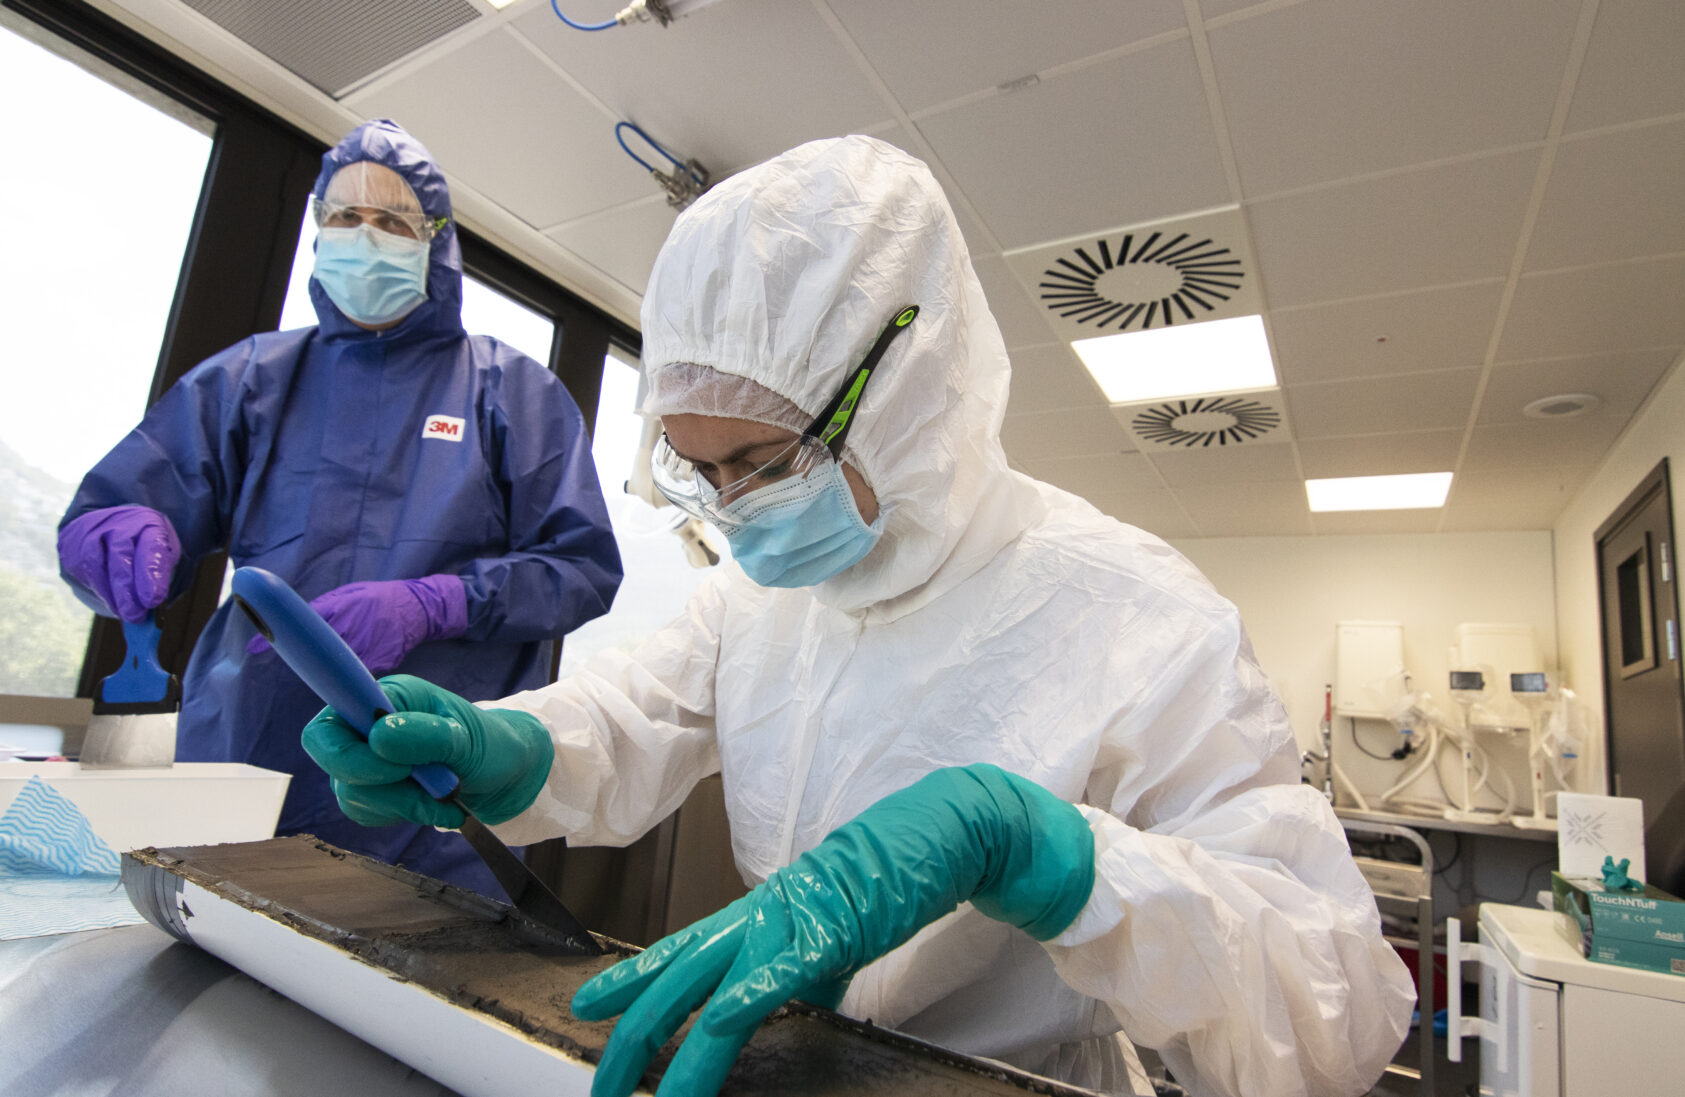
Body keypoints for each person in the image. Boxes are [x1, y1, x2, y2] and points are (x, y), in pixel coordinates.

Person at [300, 135, 1414, 1097]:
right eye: (701, 471)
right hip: (784, 1062)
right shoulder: (763, 594)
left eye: (762, 461)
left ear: (906, 386)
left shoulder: (1138, 616)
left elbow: (1338, 1024)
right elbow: (632, 714)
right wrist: (509, 743)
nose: (734, 515)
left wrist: (1046, 851)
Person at [57, 119, 623, 897]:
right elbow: (126, 506)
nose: (365, 237)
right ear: (317, 233)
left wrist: (433, 603)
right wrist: (115, 535)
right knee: (212, 968)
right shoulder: (251, 379)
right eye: (344, 218)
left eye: (392, 221)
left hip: (429, 773)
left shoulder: (511, 391)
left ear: (437, 241)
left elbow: (581, 569)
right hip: (245, 750)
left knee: (417, 976)